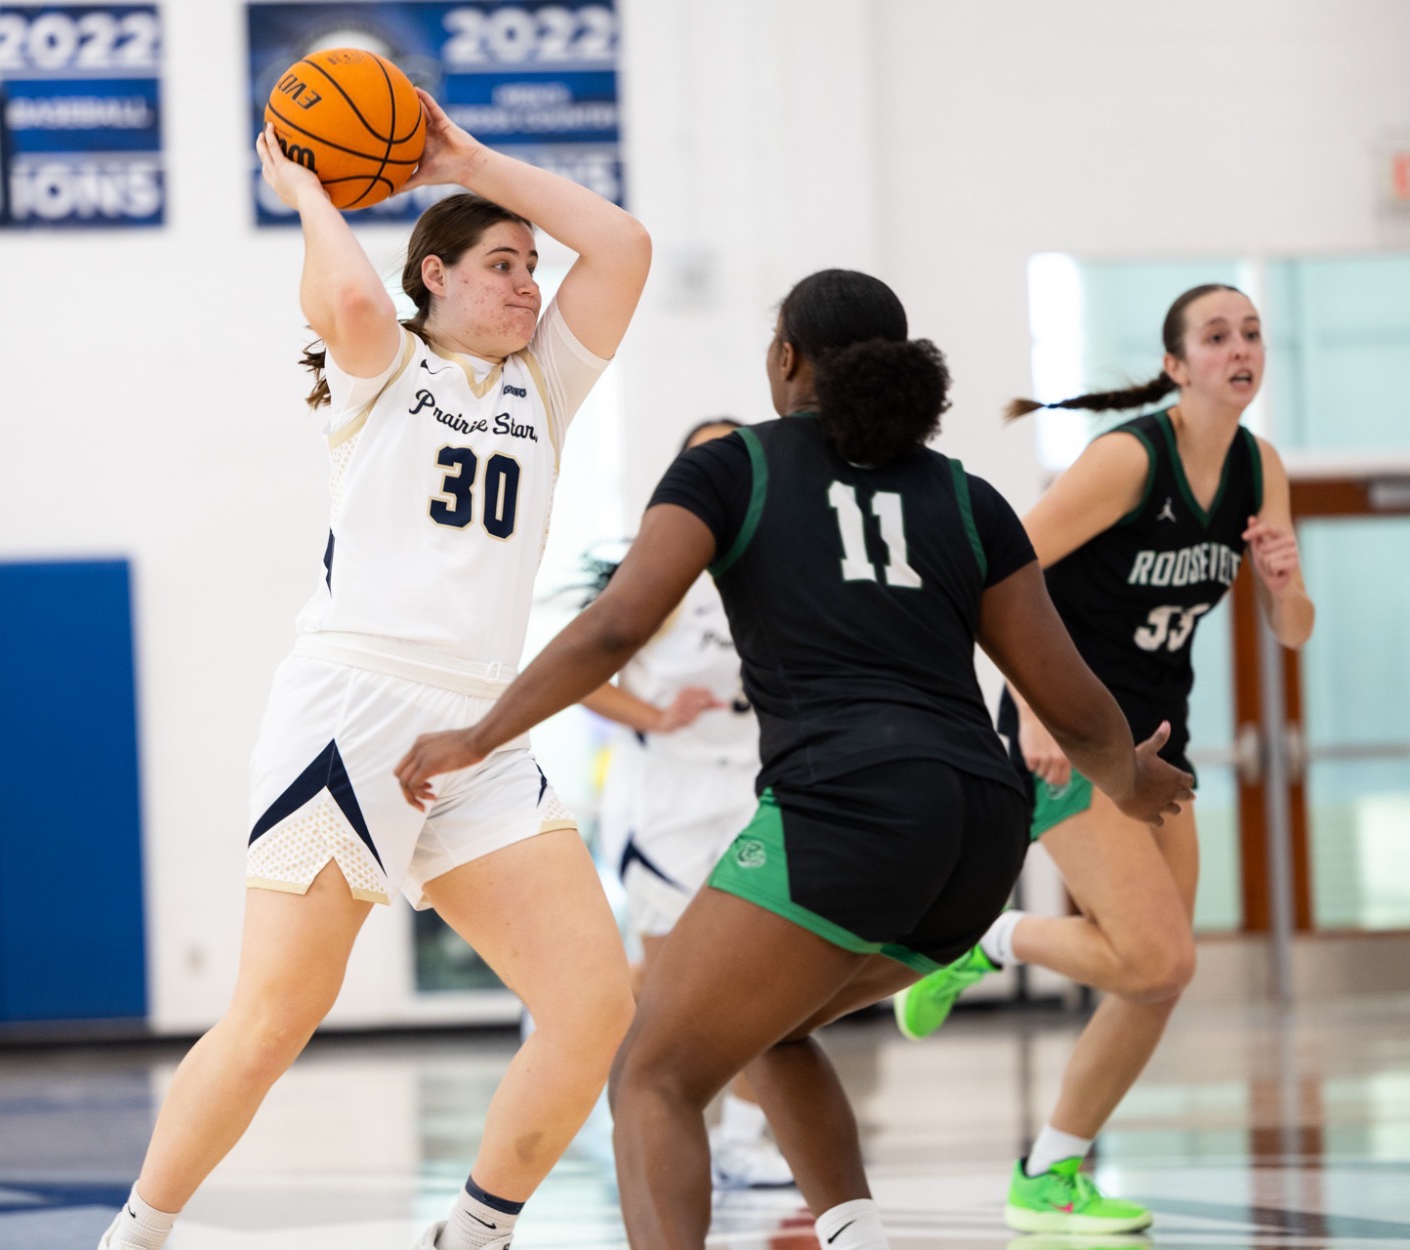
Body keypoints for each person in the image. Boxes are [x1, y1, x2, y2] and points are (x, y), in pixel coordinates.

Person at [394, 269, 1192, 1250]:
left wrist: (476, 734)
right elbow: (1064, 692)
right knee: (763, 1030)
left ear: (784, 358)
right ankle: (856, 1234)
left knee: (651, 1068)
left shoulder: (735, 467)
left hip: (851, 805)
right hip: (981, 835)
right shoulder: (965, 495)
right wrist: (1125, 776)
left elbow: (615, 627)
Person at [95, 93, 651, 1250]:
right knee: (272, 1020)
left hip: (479, 732)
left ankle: (473, 1229)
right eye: (500, 263)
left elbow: (624, 247)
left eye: (530, 269)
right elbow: (348, 291)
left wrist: (465, 156)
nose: (527, 285)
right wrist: (305, 182)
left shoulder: (545, 387)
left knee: (595, 1003)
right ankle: (135, 1235)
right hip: (352, 709)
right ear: (433, 277)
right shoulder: (383, 368)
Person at [893, 283, 1315, 1235]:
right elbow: (1005, 569)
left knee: (1160, 976)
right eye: (1216, 336)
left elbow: (1292, 632)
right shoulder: (1130, 458)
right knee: (1155, 953)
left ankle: (1050, 1172)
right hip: (1070, 728)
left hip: (1161, 742)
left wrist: (1283, 586)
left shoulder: (1260, 468)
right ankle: (984, 943)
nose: (1239, 348)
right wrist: (1036, 702)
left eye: (1251, 332)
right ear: (1176, 365)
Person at [579, 418, 793, 1190]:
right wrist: (657, 715)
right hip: (664, 802)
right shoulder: (656, 568)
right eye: (707, 455)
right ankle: (587, 1029)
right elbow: (582, 675)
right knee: (670, 990)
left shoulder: (781, 563)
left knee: (758, 976)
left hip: (751, 788)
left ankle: (742, 1137)